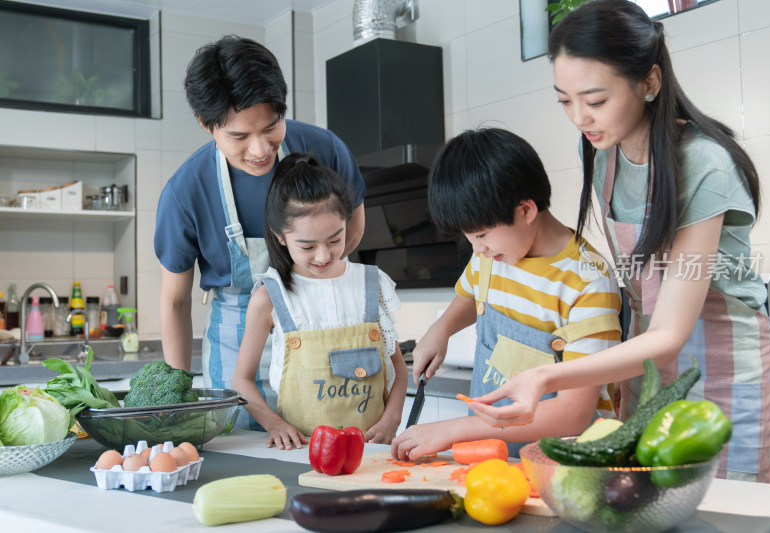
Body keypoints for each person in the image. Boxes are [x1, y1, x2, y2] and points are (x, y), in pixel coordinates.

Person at [467, 0, 770, 483]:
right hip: (647, 374)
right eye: (564, 100)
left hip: (724, 377)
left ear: (649, 83)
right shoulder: (601, 151)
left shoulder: (704, 165)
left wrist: (548, 376)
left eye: (595, 101)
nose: (579, 118)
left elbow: (670, 332)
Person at [154, 36, 365, 429]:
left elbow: (352, 229)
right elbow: (175, 302)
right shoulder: (185, 191)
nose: (259, 149)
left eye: (271, 127)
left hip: (321, 335)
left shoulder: (325, 148)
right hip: (236, 350)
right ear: (207, 125)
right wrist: (177, 398)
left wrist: (311, 283)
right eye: (238, 136)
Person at [391, 128, 622, 461]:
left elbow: (575, 412)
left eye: (482, 234)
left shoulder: (587, 283)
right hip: (495, 456)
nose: (477, 248)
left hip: (567, 468)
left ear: (525, 210)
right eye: (470, 238)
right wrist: (440, 330)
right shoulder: (492, 256)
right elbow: (473, 293)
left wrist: (455, 429)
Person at [231, 153, 407, 449]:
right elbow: (241, 381)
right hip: (303, 452)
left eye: (335, 240)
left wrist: (392, 418)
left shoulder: (370, 284)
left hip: (371, 450)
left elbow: (398, 369)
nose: (324, 255)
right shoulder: (270, 296)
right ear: (281, 237)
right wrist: (274, 425)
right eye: (308, 246)